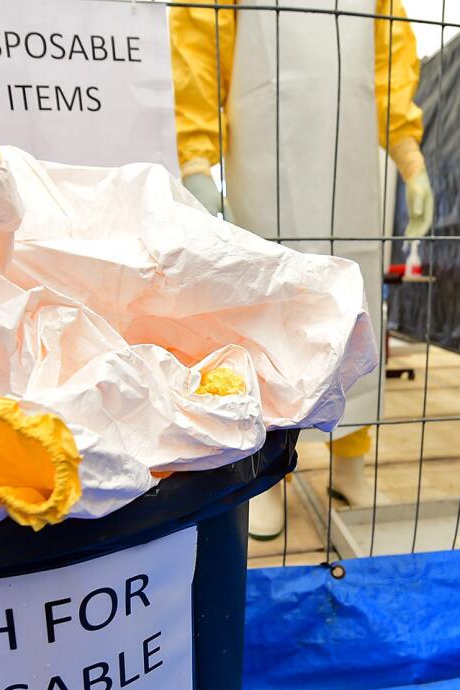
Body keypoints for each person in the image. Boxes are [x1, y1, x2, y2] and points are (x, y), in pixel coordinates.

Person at [169, 0, 435, 538]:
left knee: (352, 305)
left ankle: (351, 461)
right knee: (273, 313)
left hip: (354, 163)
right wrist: (196, 157)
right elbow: (199, 47)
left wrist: (410, 157)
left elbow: (390, 61)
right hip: (266, 157)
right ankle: (266, 477)